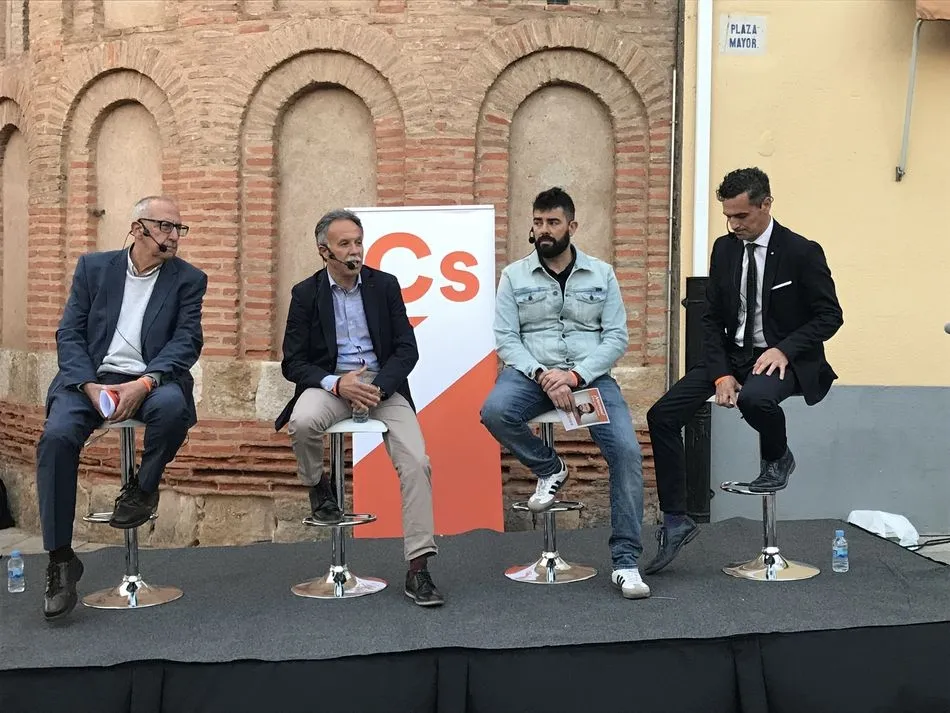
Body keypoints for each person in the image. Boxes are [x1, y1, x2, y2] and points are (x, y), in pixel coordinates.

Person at [644, 167, 843, 575]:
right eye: (728, 217)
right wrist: (719, 373)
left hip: (781, 356)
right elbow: (712, 318)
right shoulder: (725, 248)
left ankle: (778, 458)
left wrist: (785, 348)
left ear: (766, 205)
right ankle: (677, 520)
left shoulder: (802, 252)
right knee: (661, 416)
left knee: (755, 397)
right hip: (729, 355)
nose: (734, 226)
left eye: (742, 217)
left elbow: (830, 316)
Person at [37, 196, 207, 620]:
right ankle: (60, 560)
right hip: (89, 380)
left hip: (152, 380)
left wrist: (145, 382)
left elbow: (187, 341)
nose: (173, 236)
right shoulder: (93, 269)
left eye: (178, 229)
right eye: (165, 227)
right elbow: (70, 332)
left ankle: (142, 489)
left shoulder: (189, 279)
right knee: (56, 437)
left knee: (171, 407)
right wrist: (89, 385)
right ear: (137, 228)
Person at [480, 187, 650, 600]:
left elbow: (616, 337)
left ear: (571, 226)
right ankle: (550, 467)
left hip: (589, 379)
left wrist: (575, 376)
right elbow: (506, 337)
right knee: (495, 411)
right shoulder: (514, 276)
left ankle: (626, 562)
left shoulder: (601, 274)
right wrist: (543, 375)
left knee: (627, 452)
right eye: (538, 222)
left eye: (553, 222)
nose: (544, 230)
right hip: (530, 376)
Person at [274, 209, 444, 607]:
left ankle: (418, 568)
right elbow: (292, 362)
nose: (355, 251)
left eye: (358, 242)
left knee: (418, 462)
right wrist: (337, 383)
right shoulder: (305, 294)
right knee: (302, 421)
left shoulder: (385, 286)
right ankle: (318, 486)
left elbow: (407, 349)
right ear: (324, 251)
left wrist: (378, 389)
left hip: (382, 388)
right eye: (345, 244)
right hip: (331, 385)